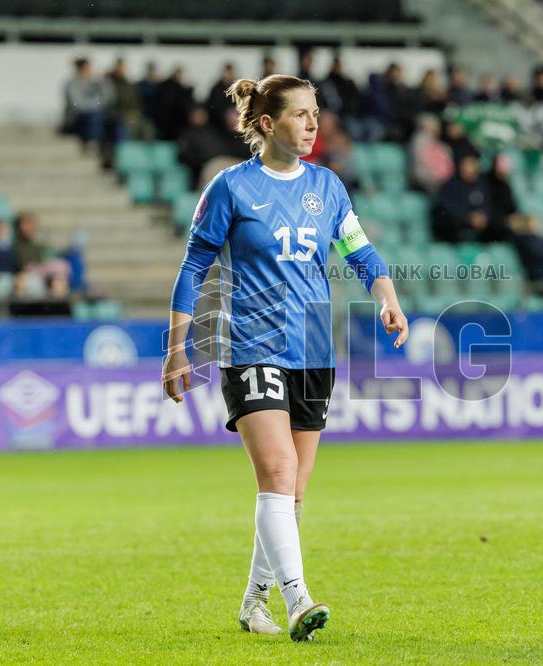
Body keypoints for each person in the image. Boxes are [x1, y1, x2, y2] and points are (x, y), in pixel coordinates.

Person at [163, 75, 408, 643]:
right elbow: (191, 269)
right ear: (268, 124)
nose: (313, 124)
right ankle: (299, 599)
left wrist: (388, 298)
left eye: (316, 114)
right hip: (250, 344)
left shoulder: (328, 185)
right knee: (276, 472)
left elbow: (359, 249)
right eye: (300, 115)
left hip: (313, 350)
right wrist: (176, 351)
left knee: (292, 491)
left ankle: (254, 603)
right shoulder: (231, 188)